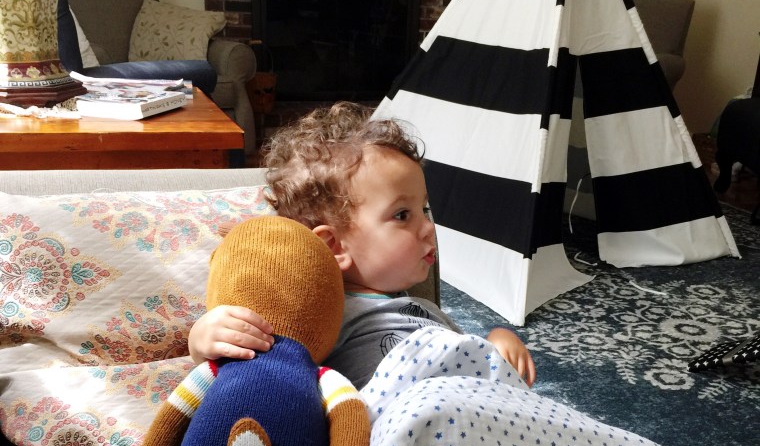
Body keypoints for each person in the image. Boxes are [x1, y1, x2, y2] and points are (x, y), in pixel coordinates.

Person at [188, 102, 536, 390]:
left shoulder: (426, 309)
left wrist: (497, 341)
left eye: (424, 210)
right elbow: (267, 362)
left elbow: (466, 360)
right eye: (402, 215)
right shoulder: (322, 313)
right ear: (334, 246)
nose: (428, 228)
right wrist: (203, 341)